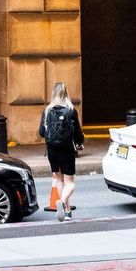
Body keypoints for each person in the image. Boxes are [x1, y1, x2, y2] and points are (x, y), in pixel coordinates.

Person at [38, 82, 85, 221]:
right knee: (70, 182)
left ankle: (67, 212)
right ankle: (63, 202)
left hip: (52, 150)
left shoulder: (47, 110)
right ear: (66, 93)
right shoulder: (71, 110)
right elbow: (78, 134)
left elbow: (41, 132)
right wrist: (80, 143)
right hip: (67, 150)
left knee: (59, 180)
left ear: (53, 94)